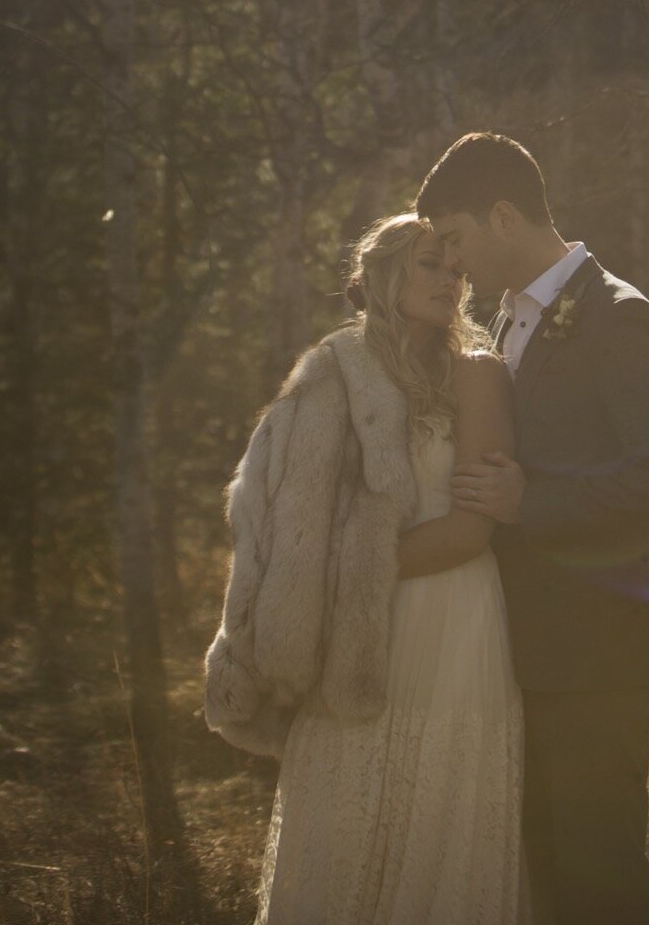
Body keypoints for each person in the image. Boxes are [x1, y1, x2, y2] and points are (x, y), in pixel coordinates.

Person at [204, 213, 527, 925]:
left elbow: (469, 532)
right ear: (382, 277)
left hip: (451, 619)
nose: (448, 280)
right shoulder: (330, 374)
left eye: (456, 269)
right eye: (428, 265)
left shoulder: (477, 374)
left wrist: (334, 575)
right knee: (340, 829)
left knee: (440, 833)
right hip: (348, 639)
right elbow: (276, 522)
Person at [419, 131, 649, 925]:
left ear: (502, 216)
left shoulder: (615, 315)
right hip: (526, 644)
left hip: (596, 647)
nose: (453, 262)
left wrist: (528, 503)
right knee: (541, 869)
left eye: (456, 239)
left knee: (596, 870)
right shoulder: (507, 320)